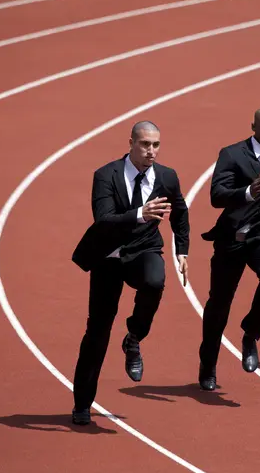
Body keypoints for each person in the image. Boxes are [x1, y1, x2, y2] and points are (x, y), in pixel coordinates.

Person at [69, 121, 190, 424]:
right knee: (97, 333)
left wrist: (182, 250)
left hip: (144, 250)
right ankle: (82, 404)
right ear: (131, 144)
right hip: (108, 258)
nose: (152, 151)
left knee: (155, 280)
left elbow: (181, 212)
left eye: (156, 145)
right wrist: (140, 213)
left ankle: (134, 337)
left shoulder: (166, 176)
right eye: (146, 144)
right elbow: (103, 219)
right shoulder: (105, 175)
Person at [197, 107, 260, 391]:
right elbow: (216, 196)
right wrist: (247, 192)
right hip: (233, 238)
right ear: (253, 126)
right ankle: (208, 365)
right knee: (219, 305)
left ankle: (251, 333)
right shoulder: (231, 155)